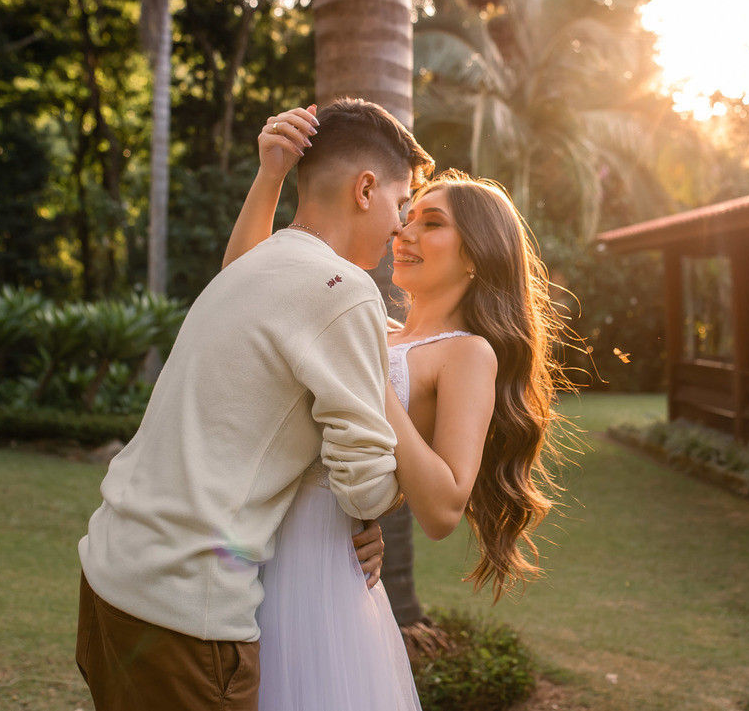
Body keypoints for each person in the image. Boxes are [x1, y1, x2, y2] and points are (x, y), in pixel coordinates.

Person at [75, 98, 435, 711]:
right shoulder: (345, 291)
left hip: (112, 570)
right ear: (366, 188)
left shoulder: (256, 264)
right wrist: (379, 505)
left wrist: (270, 170)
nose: (400, 227)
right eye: (401, 206)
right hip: (184, 609)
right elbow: (366, 486)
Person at [224, 152, 568, 710]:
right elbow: (243, 288)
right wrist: (270, 175)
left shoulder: (466, 353)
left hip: (324, 576)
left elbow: (442, 510)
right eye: (409, 216)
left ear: (479, 256)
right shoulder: (364, 325)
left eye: (433, 223)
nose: (405, 231)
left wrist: (373, 383)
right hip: (254, 556)